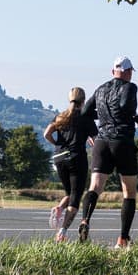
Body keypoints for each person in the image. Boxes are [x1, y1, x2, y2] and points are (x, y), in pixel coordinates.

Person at [77, 56, 138, 249]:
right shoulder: (130, 87)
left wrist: (96, 128)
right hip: (122, 141)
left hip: (101, 141)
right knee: (129, 192)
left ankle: (85, 219)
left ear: (112, 71)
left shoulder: (101, 89)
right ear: (128, 72)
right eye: (130, 72)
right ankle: (122, 239)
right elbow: (125, 106)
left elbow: (85, 113)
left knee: (95, 187)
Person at [44, 87, 97, 242]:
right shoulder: (86, 118)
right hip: (76, 158)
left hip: (59, 158)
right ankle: (62, 232)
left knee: (70, 193)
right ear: (84, 100)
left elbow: (46, 133)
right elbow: (96, 140)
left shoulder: (60, 116)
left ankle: (60, 208)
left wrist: (57, 144)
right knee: (75, 197)